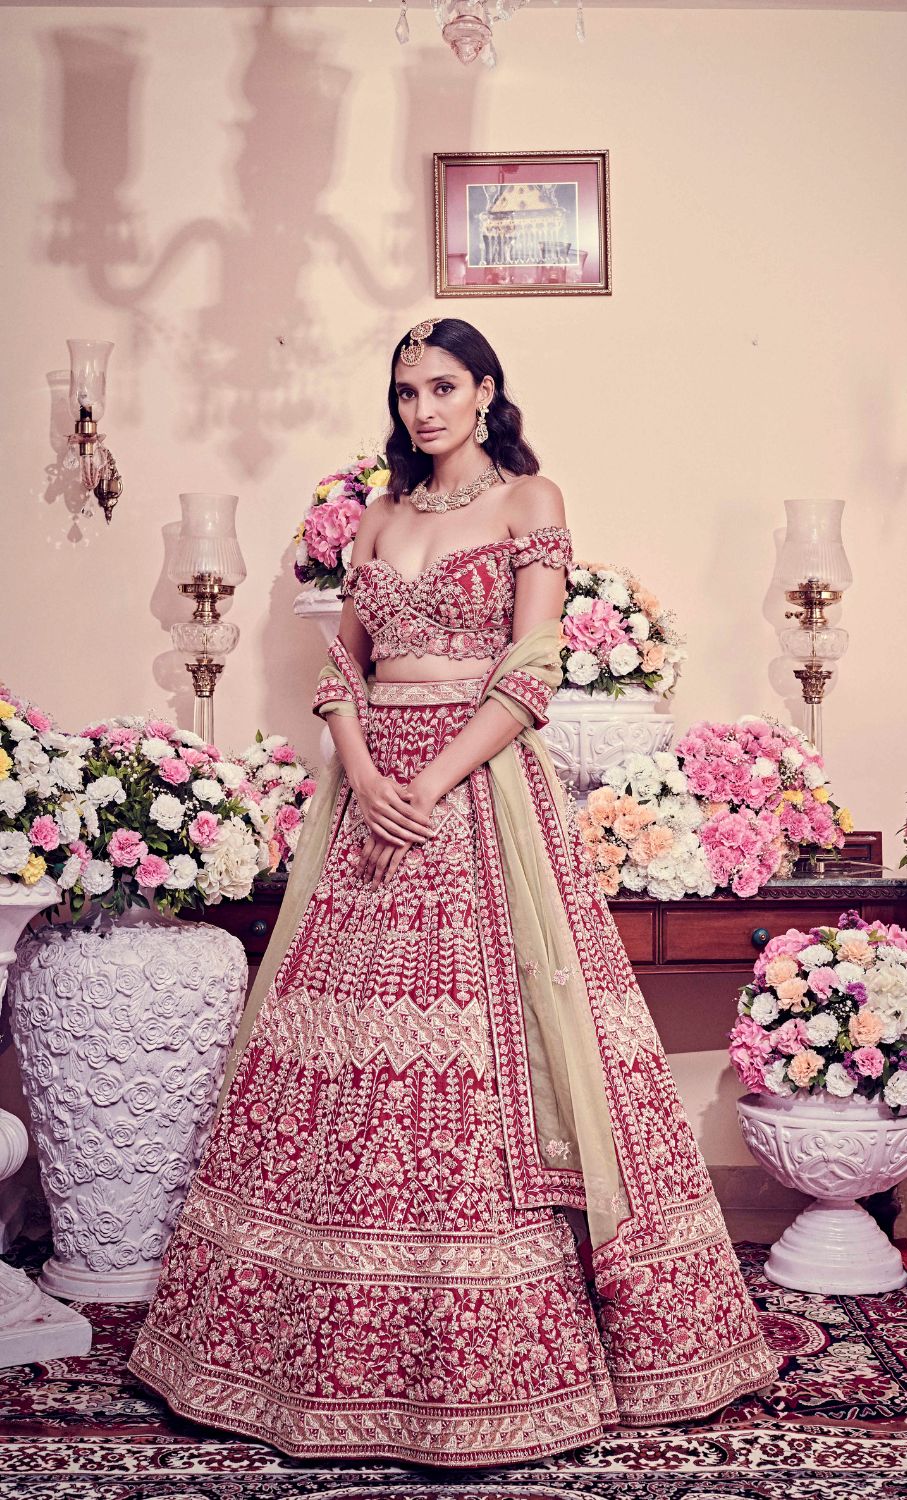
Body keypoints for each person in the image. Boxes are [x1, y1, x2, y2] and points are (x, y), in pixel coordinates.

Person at [127, 316, 778, 1467]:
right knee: (339, 1049)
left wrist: (424, 777)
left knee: (499, 1047)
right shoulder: (375, 518)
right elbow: (343, 670)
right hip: (369, 794)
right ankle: (315, 1356)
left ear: (484, 390)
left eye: (442, 386)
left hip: (477, 792)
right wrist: (367, 774)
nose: (422, 408)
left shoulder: (530, 501)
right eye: (406, 390)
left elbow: (532, 672)